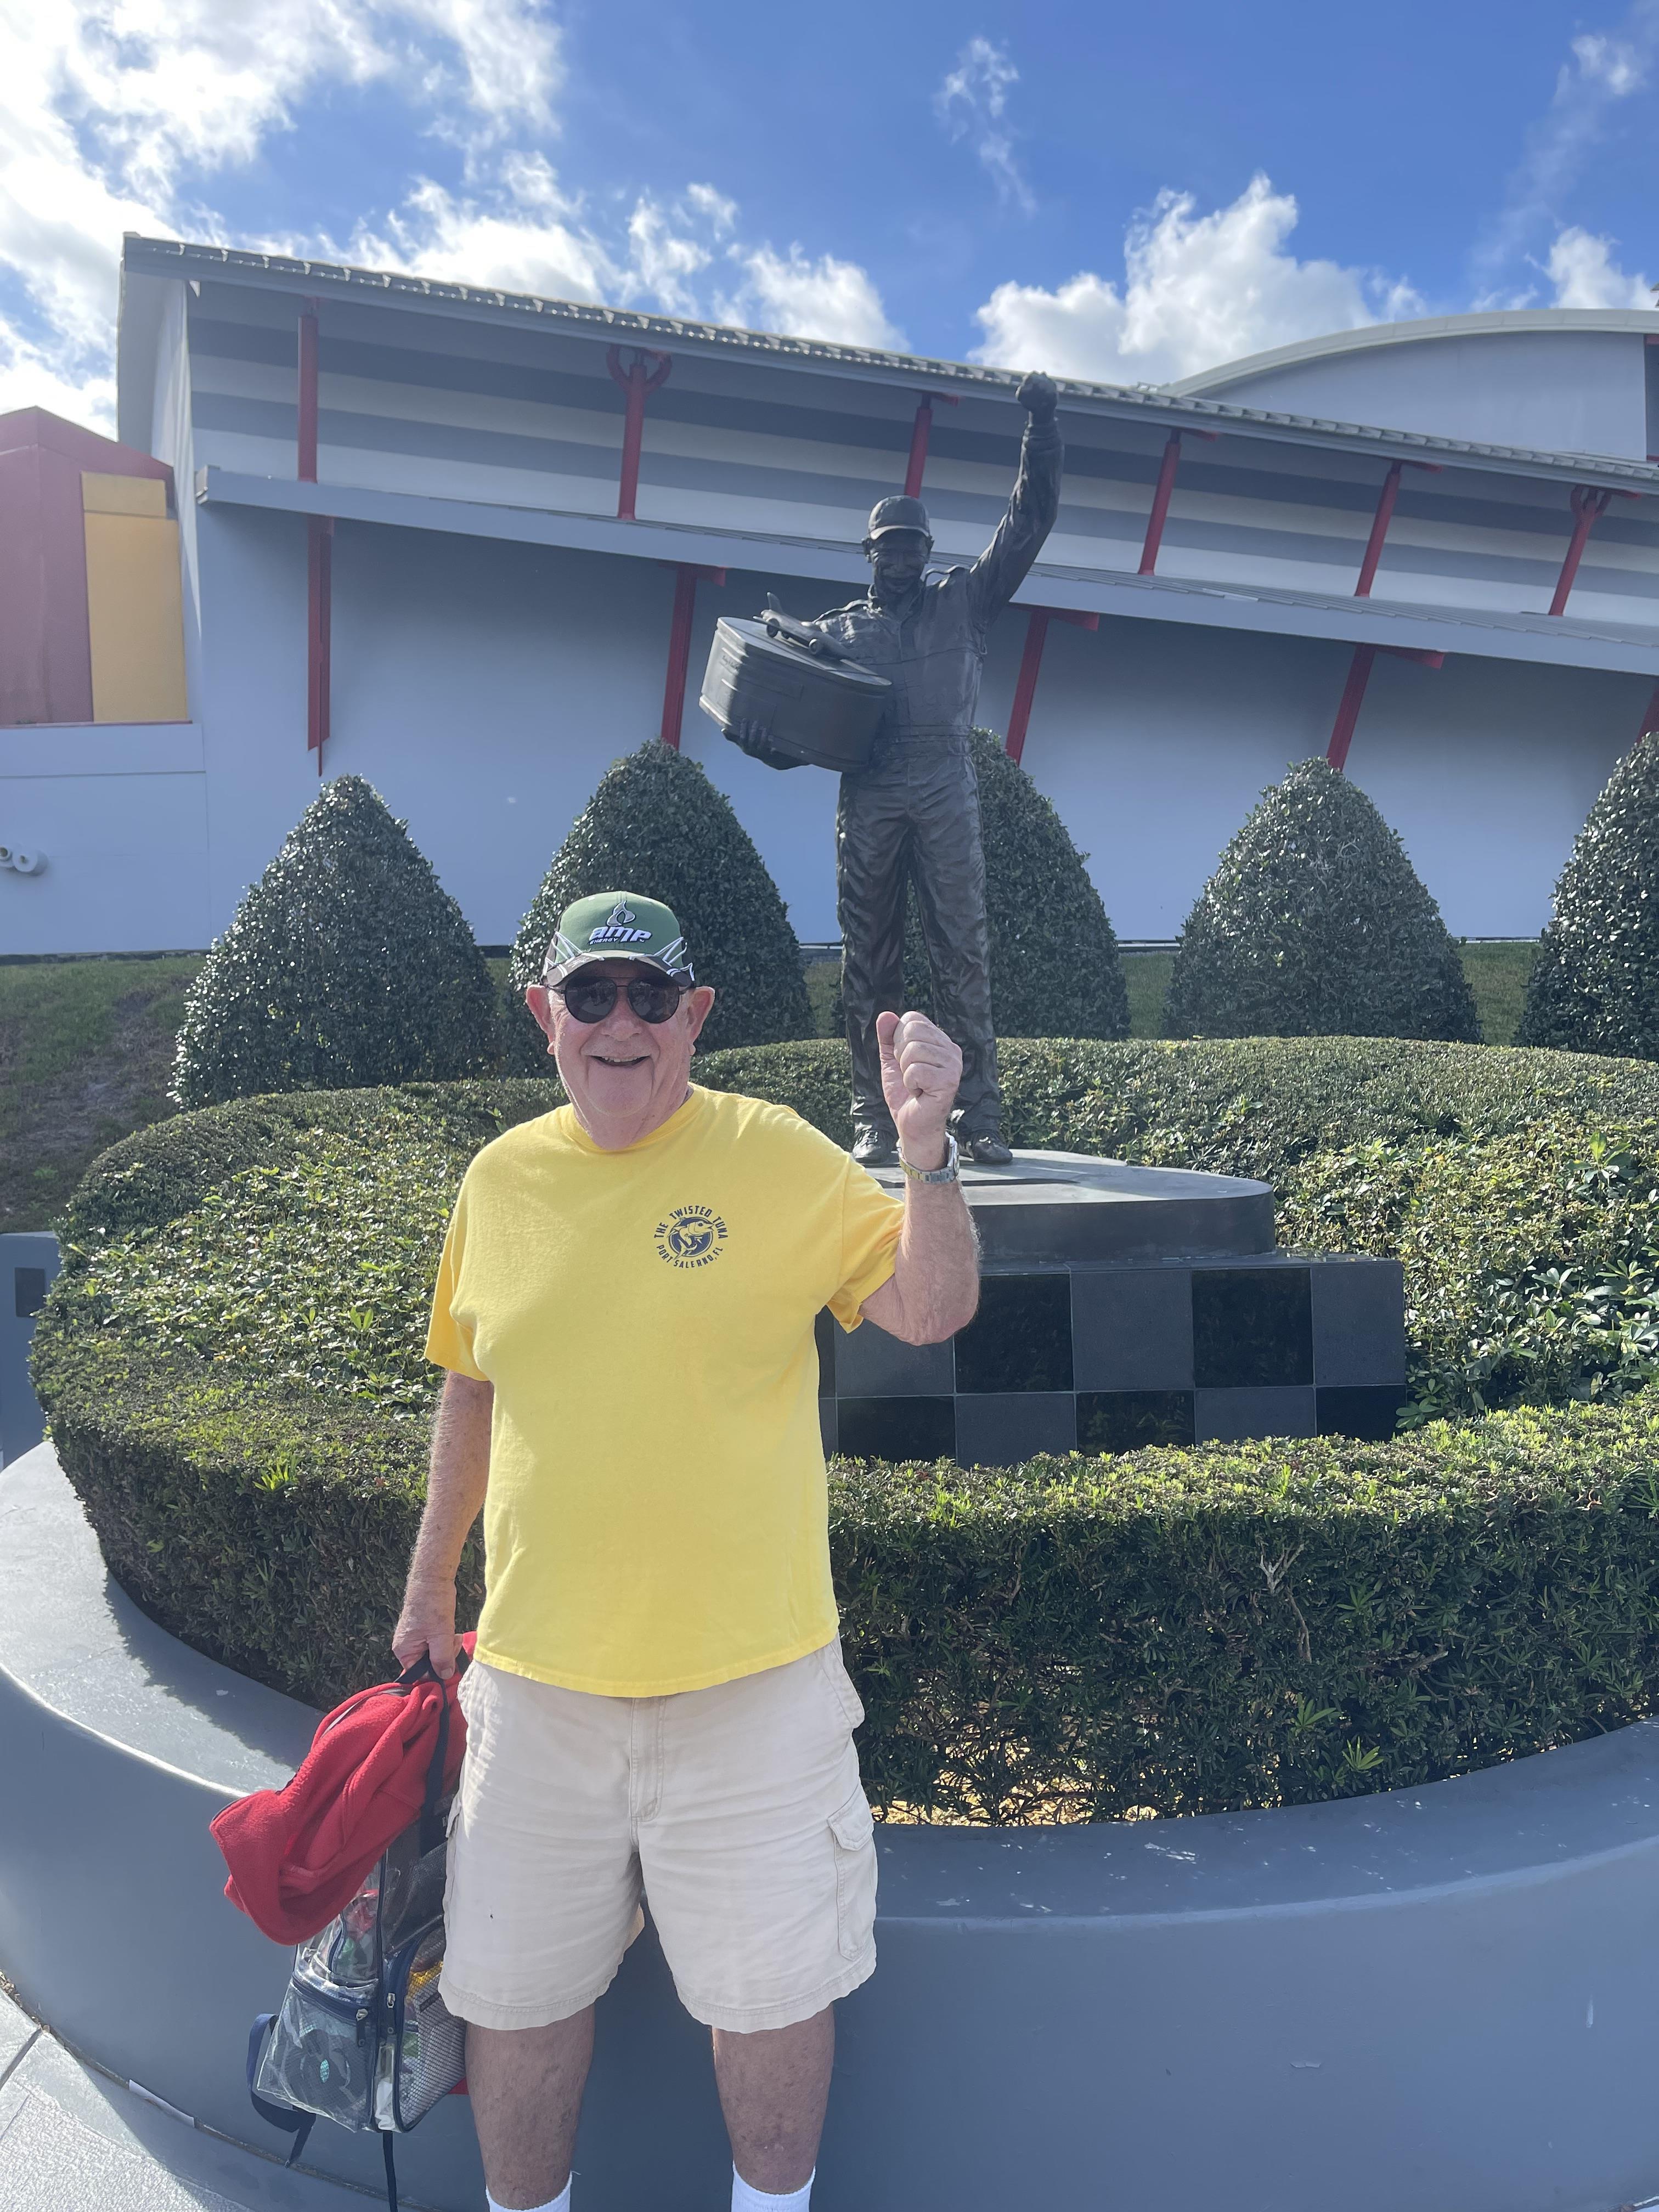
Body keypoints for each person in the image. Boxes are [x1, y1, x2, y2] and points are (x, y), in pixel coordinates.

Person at [393, 889, 980, 2212]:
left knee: (772, 2005)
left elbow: (931, 1308)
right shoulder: (500, 1181)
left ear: (694, 1017)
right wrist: (431, 1579)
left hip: (755, 1691)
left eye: (649, 998)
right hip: (539, 1695)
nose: (620, 1024)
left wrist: (926, 1148)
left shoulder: (775, 1157)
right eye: (590, 996)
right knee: (517, 2002)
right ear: (545, 1014)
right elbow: (470, 1387)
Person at [726, 370, 1064, 1169]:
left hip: (946, 786)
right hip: (872, 792)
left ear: (927, 552)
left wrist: (1041, 428)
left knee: (963, 954)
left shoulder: (967, 604)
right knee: (868, 960)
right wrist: (758, 738)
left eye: (913, 546)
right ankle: (875, 1117)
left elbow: (1030, 519)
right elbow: (796, 729)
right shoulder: (835, 630)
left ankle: (979, 1117)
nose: (902, 559)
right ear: (870, 554)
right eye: (889, 548)